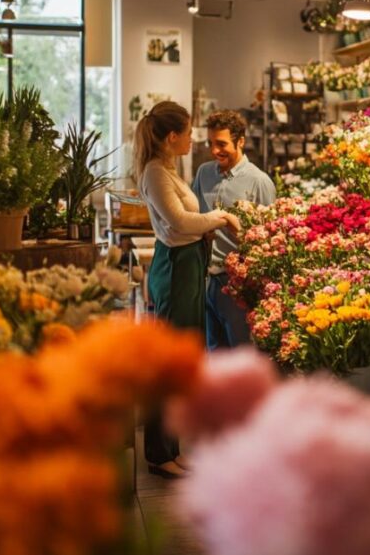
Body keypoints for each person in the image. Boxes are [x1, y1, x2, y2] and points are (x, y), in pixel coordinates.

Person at [136, 101, 240, 479]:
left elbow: (183, 223)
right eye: (190, 131)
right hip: (178, 267)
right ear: (172, 136)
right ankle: (160, 454)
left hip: (190, 262)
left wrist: (205, 226)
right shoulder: (155, 172)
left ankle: (171, 449)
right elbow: (178, 220)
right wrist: (222, 217)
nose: (195, 138)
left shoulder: (167, 169)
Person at [192, 110, 276, 351]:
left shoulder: (259, 182)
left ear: (241, 141)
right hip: (207, 278)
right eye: (211, 143)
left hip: (239, 286)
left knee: (241, 356)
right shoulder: (204, 173)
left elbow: (269, 240)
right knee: (213, 355)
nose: (214, 151)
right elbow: (195, 215)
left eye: (222, 144)